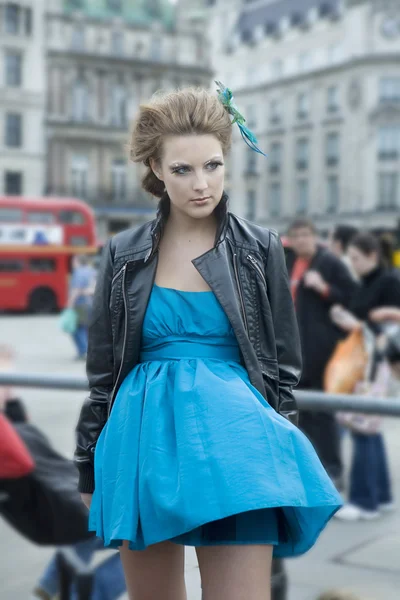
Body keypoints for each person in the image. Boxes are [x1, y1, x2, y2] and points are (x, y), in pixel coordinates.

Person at [74, 85, 342, 600]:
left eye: (213, 165)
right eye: (183, 169)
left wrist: (283, 448)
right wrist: (88, 463)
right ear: (155, 167)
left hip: (239, 448)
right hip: (140, 446)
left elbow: (283, 368)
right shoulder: (122, 252)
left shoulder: (260, 247)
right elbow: (103, 373)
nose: (203, 184)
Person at [331, 232, 400, 521]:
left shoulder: (387, 282)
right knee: (368, 429)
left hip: (374, 363)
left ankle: (364, 500)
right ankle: (379, 496)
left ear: (371, 255)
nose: (353, 264)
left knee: (362, 428)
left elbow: (384, 328)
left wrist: (352, 323)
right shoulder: (374, 282)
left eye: (356, 258)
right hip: (372, 362)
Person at [286, 218, 357, 488]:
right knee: (300, 410)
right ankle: (310, 468)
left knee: (322, 411)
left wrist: (324, 288)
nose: (302, 240)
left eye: (306, 235)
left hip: (321, 348)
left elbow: (352, 296)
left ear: (315, 237)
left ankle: (333, 470)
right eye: (297, 235)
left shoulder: (329, 263)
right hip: (295, 348)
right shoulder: (289, 262)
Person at [68, 254, 96, 360]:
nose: (72, 263)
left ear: (77, 261)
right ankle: (89, 351)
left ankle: (83, 351)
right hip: (92, 304)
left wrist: (69, 304)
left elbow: (76, 290)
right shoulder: (92, 271)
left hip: (80, 305)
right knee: (87, 329)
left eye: (73, 260)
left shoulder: (79, 272)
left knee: (77, 328)